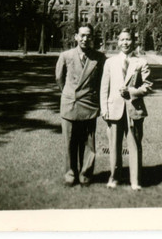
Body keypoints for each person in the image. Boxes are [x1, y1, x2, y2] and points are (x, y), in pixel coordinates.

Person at [100, 28, 152, 191]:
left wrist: (131, 92)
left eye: (128, 39)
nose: (125, 43)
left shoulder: (141, 62)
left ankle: (135, 180)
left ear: (133, 41)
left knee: (134, 145)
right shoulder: (110, 62)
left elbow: (148, 86)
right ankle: (115, 177)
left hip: (133, 109)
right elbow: (104, 88)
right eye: (122, 39)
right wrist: (104, 109)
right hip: (114, 109)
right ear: (118, 41)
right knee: (114, 146)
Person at [55, 24, 105, 187]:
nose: (85, 39)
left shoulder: (99, 58)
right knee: (69, 142)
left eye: (88, 36)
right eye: (82, 35)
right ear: (76, 36)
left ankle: (85, 174)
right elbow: (59, 78)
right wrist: (69, 94)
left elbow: (101, 83)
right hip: (70, 103)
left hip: (89, 104)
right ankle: (70, 174)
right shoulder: (66, 56)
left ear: (92, 37)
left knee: (89, 143)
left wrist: (92, 97)